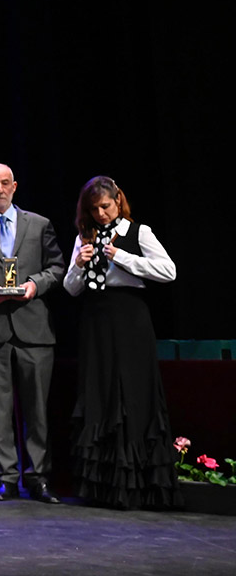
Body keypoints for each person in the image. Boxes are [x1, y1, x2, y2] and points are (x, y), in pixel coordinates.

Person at [63, 176, 179, 509]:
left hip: (130, 317)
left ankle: (140, 485)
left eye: (105, 206)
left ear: (118, 201)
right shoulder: (84, 236)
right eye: (93, 209)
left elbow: (168, 271)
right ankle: (102, 487)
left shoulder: (137, 232)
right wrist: (78, 266)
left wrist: (123, 257)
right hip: (96, 320)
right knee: (99, 391)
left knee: (133, 392)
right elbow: (71, 288)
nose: (100, 214)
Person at [0, 162, 65, 503]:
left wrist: (35, 284)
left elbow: (57, 267)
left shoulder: (39, 224)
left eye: (4, 183)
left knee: (37, 410)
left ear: (15, 186)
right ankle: (6, 478)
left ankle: (38, 477)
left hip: (34, 329)